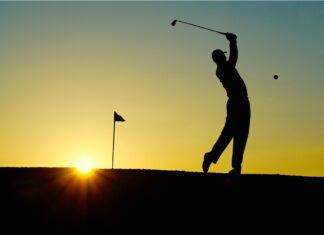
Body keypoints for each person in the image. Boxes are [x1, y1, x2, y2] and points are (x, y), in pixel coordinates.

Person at [202, 33, 251, 176]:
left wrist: (232, 41)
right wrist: (233, 41)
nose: (225, 57)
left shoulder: (223, 68)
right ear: (219, 59)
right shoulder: (223, 69)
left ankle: (236, 167)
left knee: (241, 134)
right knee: (229, 134)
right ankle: (211, 157)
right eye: (222, 56)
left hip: (242, 102)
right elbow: (234, 57)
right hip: (237, 103)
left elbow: (232, 59)